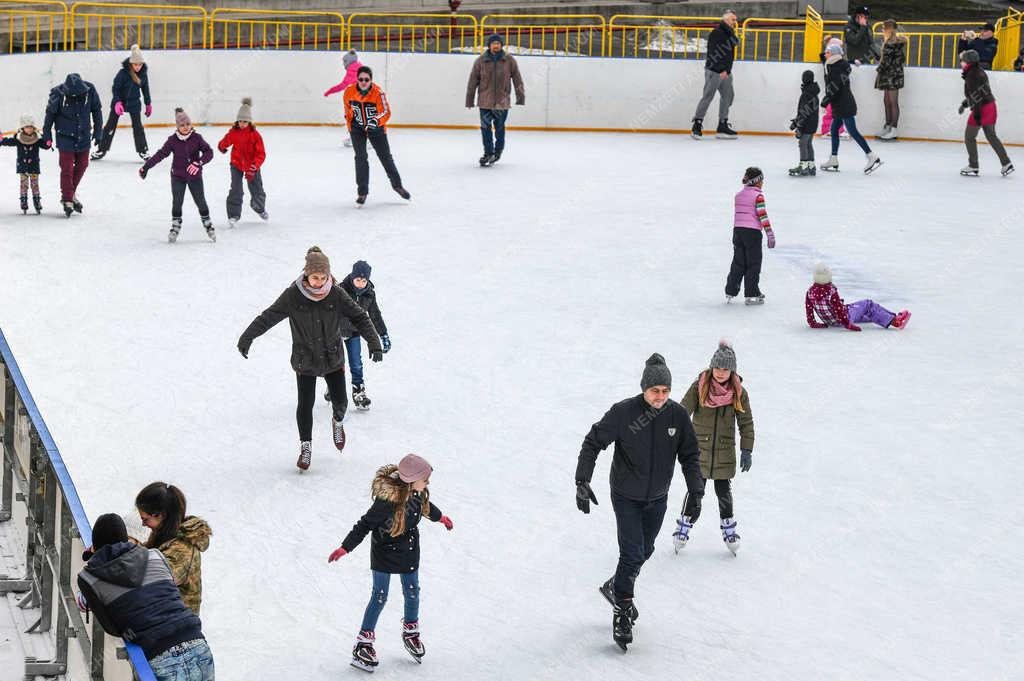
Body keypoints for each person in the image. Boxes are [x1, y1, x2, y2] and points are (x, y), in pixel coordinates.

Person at [575, 354, 702, 650]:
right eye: (655, 390)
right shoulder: (624, 413)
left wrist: (696, 491)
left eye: (665, 391)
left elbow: (690, 455)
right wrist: (582, 480)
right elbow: (593, 442)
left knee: (645, 550)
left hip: (657, 497)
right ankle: (622, 610)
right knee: (631, 553)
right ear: (644, 388)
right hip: (626, 496)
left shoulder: (678, 416)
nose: (660, 397)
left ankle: (616, 586)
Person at [237, 246, 384, 470]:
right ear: (306, 274)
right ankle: (306, 446)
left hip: (332, 358)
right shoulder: (293, 295)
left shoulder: (336, 293)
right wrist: (247, 337)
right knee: (305, 404)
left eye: (323, 277)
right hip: (305, 360)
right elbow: (268, 316)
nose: (318, 282)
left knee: (341, 401)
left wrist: (373, 342)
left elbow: (360, 317)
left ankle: (337, 421)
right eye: (315, 277)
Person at [328, 454, 454, 671]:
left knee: (413, 591)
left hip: (409, 551)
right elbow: (365, 524)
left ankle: (411, 631)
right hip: (384, 552)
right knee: (379, 596)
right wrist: (345, 547)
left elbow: (426, 507)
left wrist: (440, 517)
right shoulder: (387, 502)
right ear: (411, 479)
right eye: (425, 478)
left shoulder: (417, 493)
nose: (428, 482)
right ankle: (363, 643)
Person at [76, 514, 214, 681]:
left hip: (159, 656)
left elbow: (110, 627)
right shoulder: (156, 555)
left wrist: (96, 559)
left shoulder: (89, 578)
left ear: (95, 547)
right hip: (197, 644)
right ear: (126, 539)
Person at [674, 340, 754, 556]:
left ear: (732, 370)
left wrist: (747, 449)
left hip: (724, 451)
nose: (720, 372)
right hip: (698, 450)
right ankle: (684, 525)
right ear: (712, 367)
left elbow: (746, 423)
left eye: (725, 369)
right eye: (717, 368)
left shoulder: (738, 392)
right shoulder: (700, 386)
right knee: (696, 491)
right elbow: (682, 412)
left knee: (723, 491)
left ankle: (729, 529)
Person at [139, 107, 215, 243]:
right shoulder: (173, 140)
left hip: (194, 176)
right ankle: (176, 225)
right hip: (178, 177)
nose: (185, 127)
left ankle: (208, 224)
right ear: (177, 126)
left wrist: (199, 163)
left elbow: (209, 152)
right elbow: (161, 154)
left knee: (200, 201)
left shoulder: (197, 138)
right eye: (182, 125)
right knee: (177, 203)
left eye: (187, 124)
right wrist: (146, 167)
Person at [135, 482, 212, 615]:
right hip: (162, 614)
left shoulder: (182, 551)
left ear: (161, 515)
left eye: (146, 519)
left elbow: (153, 581)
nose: (143, 524)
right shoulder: (164, 533)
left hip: (177, 624)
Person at [323, 260, 391, 410]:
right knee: (336, 363)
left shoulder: (369, 294)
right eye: (358, 280)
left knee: (356, 363)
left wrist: (383, 334)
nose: (360, 283)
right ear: (352, 277)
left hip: (354, 333)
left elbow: (374, 315)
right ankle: (333, 386)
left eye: (364, 280)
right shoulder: (341, 290)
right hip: (336, 332)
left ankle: (358, 393)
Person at [343, 65, 410, 205]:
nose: (363, 82)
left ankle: (397, 186)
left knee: (385, 157)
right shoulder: (349, 91)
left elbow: (386, 112)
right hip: (357, 129)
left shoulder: (378, 93)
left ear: (371, 80)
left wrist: (375, 121)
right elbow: (348, 109)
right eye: (360, 79)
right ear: (357, 79)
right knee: (360, 158)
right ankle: (362, 192)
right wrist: (350, 125)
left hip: (376, 129)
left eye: (366, 79)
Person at [41, 73, 103, 217]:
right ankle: (68, 199)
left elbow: (97, 111)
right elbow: (49, 115)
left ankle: (70, 193)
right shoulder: (58, 93)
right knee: (67, 168)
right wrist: (47, 136)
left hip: (84, 135)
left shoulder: (90, 90)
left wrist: (99, 132)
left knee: (83, 164)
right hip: (65, 137)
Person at [820, 44, 882, 174]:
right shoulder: (835, 64)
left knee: (852, 131)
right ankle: (833, 158)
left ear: (832, 54)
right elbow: (836, 63)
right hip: (840, 103)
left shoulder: (835, 66)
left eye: (827, 52)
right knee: (834, 129)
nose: (824, 54)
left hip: (844, 104)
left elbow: (836, 85)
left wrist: (827, 98)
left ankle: (871, 155)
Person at [465, 32, 525, 166]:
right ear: (489, 45)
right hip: (485, 102)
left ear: (501, 45)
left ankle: (497, 152)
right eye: (493, 43)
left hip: (502, 102)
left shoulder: (509, 60)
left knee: (499, 128)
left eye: (498, 43)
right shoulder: (481, 61)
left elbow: (517, 79)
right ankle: (488, 153)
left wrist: (520, 97)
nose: (496, 46)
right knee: (485, 128)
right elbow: (472, 81)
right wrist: (469, 100)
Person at [805, 263, 911, 331]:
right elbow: (840, 311)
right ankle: (895, 321)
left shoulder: (810, 292)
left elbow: (809, 313)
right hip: (844, 318)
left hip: (830, 321)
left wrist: (815, 324)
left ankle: (887, 317)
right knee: (867, 305)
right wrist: (848, 325)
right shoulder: (831, 292)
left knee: (865, 313)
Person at [958, 50, 1014, 177]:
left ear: (968, 61)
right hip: (990, 106)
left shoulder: (971, 74)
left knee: (969, 136)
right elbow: (979, 92)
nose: (960, 62)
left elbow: (976, 96)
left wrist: (977, 114)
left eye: (962, 60)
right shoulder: (979, 71)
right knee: (991, 136)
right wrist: (965, 104)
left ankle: (973, 165)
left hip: (981, 108)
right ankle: (1006, 163)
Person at [91, 44, 152, 161]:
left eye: (140, 64)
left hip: (134, 103)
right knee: (110, 126)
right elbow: (116, 88)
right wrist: (118, 102)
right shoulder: (123, 73)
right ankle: (101, 149)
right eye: (135, 64)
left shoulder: (143, 74)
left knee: (138, 127)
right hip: (120, 102)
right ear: (131, 63)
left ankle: (143, 150)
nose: (138, 67)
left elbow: (145, 89)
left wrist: (148, 103)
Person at [725, 167, 775, 305]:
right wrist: (770, 234)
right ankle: (752, 293)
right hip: (752, 233)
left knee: (738, 262)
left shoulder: (739, 195)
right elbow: (762, 216)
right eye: (762, 180)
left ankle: (730, 290)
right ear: (757, 181)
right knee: (753, 263)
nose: (763, 183)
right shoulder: (758, 196)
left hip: (738, 231)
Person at [217, 97, 268, 226]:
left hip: (252, 166)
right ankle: (234, 215)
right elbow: (226, 140)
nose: (242, 123)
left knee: (257, 189)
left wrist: (254, 167)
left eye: (245, 121)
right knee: (236, 189)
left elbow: (261, 154)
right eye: (240, 121)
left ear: (250, 122)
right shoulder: (234, 132)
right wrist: (222, 146)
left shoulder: (255, 135)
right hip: (237, 164)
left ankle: (259, 208)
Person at [691, 10, 740, 140]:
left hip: (726, 72)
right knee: (708, 97)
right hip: (715, 71)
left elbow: (734, 45)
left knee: (728, 96)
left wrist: (727, 71)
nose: (735, 22)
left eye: (735, 20)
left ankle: (722, 125)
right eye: (732, 20)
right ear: (725, 20)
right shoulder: (717, 33)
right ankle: (697, 123)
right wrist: (721, 70)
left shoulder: (729, 32)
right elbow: (713, 53)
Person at [0, 114, 50, 214]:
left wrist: (48, 140)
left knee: (35, 185)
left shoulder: (37, 138)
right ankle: (24, 201)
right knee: (24, 185)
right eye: (27, 127)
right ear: (23, 128)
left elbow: (45, 145)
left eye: (31, 127)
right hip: (22, 166)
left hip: (34, 166)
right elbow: (8, 142)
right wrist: (1, 140)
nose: (29, 129)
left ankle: (37, 201)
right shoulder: (18, 139)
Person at [874, 20, 907, 141]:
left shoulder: (893, 43)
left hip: (892, 76)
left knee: (892, 102)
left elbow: (887, 62)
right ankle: (888, 126)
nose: (882, 30)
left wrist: (879, 69)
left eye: (884, 28)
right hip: (890, 75)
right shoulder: (890, 42)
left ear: (889, 29)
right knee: (887, 101)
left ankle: (893, 128)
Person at [324, 50, 363, 148]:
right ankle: (356, 138)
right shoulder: (359, 68)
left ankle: (363, 140)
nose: (343, 64)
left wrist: (329, 91)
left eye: (344, 61)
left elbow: (342, 85)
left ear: (349, 62)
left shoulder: (352, 71)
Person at [789, 70, 820, 176]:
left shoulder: (806, 94)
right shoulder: (814, 94)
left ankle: (803, 167)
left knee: (802, 143)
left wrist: (798, 125)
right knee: (808, 143)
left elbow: (804, 112)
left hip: (806, 124)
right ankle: (811, 166)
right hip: (813, 124)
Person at [819, 37, 847, 140]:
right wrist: (827, 43)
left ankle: (836, 130)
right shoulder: (827, 59)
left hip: (836, 89)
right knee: (831, 111)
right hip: (832, 90)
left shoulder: (838, 60)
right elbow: (823, 55)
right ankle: (828, 130)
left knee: (837, 111)